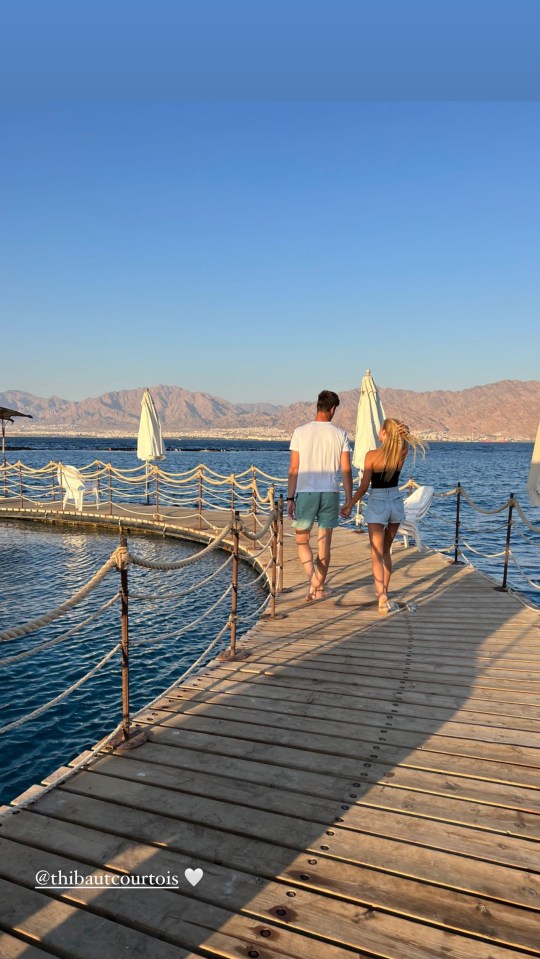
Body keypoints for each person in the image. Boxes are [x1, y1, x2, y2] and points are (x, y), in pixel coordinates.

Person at [341, 418, 425, 615]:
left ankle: (382, 597)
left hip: (378, 502)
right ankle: (384, 592)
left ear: (385, 433)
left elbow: (363, 487)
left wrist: (349, 504)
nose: (378, 432)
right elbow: (405, 442)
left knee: (376, 553)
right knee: (386, 551)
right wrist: (404, 432)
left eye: (381, 430)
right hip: (396, 502)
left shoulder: (371, 455)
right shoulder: (401, 454)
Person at [287, 390, 353, 601]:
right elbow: (346, 470)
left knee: (302, 541)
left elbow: (294, 468)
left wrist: (290, 499)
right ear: (333, 409)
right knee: (324, 544)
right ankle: (318, 588)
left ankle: (313, 583)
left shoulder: (300, 432)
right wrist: (350, 500)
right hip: (330, 493)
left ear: (318, 406)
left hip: (306, 492)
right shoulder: (340, 434)